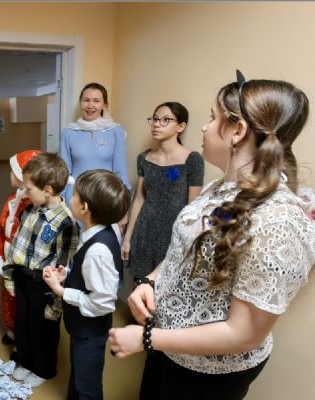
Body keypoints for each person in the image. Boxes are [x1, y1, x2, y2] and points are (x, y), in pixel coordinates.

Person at [108, 73, 315, 400]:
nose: (204, 128)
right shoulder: (221, 190)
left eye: (212, 117)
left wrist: (147, 339)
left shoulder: (278, 221)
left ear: (238, 131)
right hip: (168, 344)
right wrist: (150, 281)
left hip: (206, 371)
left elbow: (244, 334)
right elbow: (191, 249)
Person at [43, 169, 130, 400]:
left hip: (90, 332)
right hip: (81, 329)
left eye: (74, 195)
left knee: (87, 388)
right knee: (78, 376)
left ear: (84, 208)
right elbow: (89, 275)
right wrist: (66, 274)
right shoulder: (97, 231)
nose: (69, 197)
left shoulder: (98, 250)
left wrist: (61, 291)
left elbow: (102, 302)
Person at [5, 152, 79, 388]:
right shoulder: (30, 208)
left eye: (29, 188)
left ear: (47, 190)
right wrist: (10, 275)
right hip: (23, 277)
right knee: (24, 323)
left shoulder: (66, 223)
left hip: (44, 285)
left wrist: (56, 304)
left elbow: (66, 266)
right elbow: (17, 244)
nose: (25, 192)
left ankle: (44, 369)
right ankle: (27, 361)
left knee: (43, 329)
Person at [121, 102, 204, 279]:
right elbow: (139, 199)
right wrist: (127, 238)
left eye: (166, 120)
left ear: (181, 126)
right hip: (144, 232)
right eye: (155, 119)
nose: (157, 124)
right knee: (140, 286)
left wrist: (186, 244)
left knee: (166, 287)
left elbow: (193, 208)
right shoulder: (144, 158)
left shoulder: (193, 159)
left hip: (173, 235)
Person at [59, 82, 130, 242]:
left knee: (102, 246)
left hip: (106, 198)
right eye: (86, 100)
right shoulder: (68, 132)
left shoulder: (115, 131)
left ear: (104, 104)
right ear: (80, 103)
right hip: (76, 199)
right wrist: (61, 206)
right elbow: (64, 172)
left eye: (96, 101)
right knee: (75, 248)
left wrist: (123, 212)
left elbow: (121, 172)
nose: (90, 105)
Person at [0, 149, 43, 346]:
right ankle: (11, 329)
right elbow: (1, 231)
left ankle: (23, 336)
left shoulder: (35, 206)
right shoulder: (12, 200)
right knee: (8, 296)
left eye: (13, 170)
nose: (9, 174)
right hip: (7, 259)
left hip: (23, 263)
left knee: (22, 299)